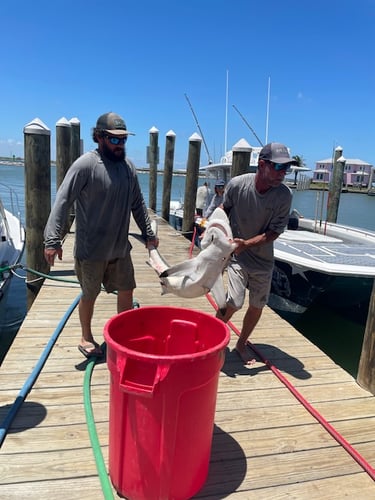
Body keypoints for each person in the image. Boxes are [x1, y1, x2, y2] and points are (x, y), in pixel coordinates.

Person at [44, 112, 159, 358]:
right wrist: (52, 240)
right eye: (114, 140)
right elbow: (63, 201)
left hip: (120, 249)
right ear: (99, 137)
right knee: (90, 294)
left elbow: (137, 204)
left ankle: (124, 337)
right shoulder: (85, 165)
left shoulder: (128, 168)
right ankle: (86, 336)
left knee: (127, 290)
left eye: (123, 140)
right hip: (91, 251)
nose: (120, 145)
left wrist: (149, 233)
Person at [217, 142, 296, 364]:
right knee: (233, 301)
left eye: (286, 168)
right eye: (278, 167)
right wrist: (214, 229)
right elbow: (224, 209)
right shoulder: (237, 185)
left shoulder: (284, 196)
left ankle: (241, 343)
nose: (283, 173)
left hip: (262, 260)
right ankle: (214, 338)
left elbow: (274, 232)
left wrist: (247, 243)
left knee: (257, 305)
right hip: (236, 255)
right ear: (262, 164)